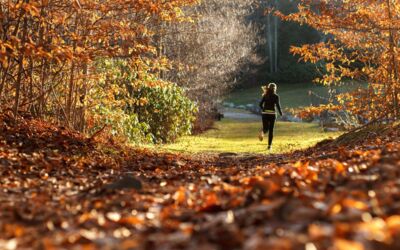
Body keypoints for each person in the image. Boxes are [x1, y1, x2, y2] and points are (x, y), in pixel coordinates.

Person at [259, 83, 283, 151]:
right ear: (275, 88)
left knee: (265, 128)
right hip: (272, 114)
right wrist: (281, 113)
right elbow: (278, 105)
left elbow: (260, 104)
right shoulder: (276, 96)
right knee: (271, 130)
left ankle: (262, 133)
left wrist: (263, 109)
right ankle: (269, 146)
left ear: (269, 88)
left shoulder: (265, 95)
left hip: (265, 113)